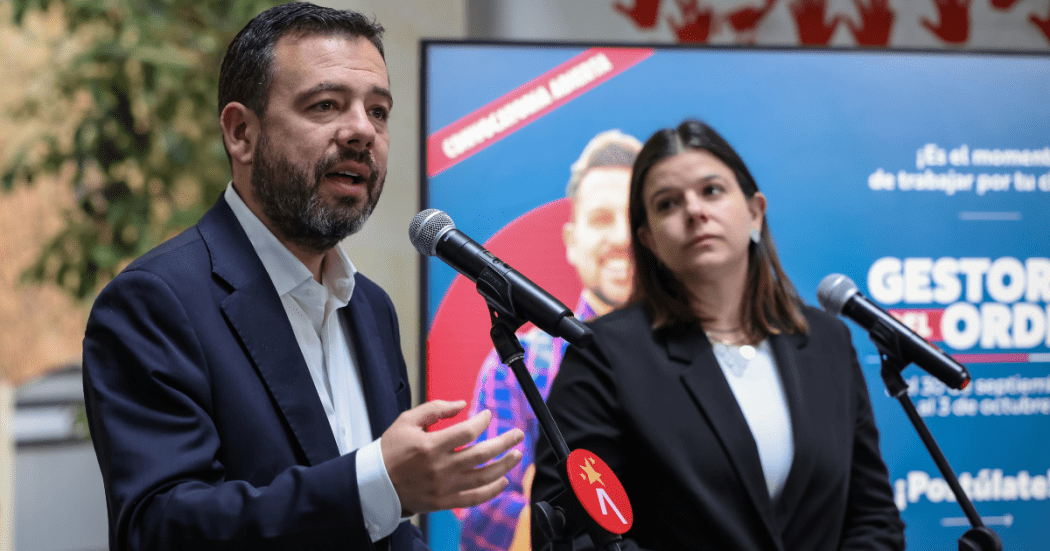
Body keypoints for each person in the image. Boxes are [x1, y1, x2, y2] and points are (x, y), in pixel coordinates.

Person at [81, 4, 523, 551]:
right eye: (326, 105)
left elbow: (377, 531)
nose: (363, 131)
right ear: (241, 133)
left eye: (379, 111)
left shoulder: (370, 308)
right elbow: (160, 529)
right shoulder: (155, 303)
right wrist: (377, 482)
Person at [532, 120, 905, 550]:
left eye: (711, 191)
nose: (694, 211)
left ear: (755, 212)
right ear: (648, 240)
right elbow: (571, 532)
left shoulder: (827, 341)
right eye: (668, 203)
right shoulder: (604, 353)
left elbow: (873, 517)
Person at [458, 130, 642, 551]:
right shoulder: (518, 366)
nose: (622, 238)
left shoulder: (698, 354)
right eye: (601, 219)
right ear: (572, 242)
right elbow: (483, 514)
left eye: (635, 218)